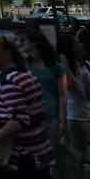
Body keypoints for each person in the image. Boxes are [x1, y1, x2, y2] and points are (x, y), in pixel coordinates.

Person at [0, 35, 53, 178]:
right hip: (38, 151)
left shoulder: (10, 82)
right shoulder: (24, 75)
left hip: (22, 156)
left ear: (8, 53)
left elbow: (20, 120)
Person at [20, 29, 67, 155]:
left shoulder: (56, 67)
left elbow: (63, 95)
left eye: (25, 41)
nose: (22, 44)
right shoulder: (24, 65)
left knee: (52, 155)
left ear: (37, 45)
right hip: (31, 118)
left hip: (52, 117)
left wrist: (62, 120)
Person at [57, 33, 90, 179]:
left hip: (84, 114)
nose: (80, 44)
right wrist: (67, 69)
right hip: (76, 117)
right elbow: (80, 91)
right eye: (76, 42)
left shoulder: (84, 64)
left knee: (81, 154)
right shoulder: (64, 68)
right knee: (78, 154)